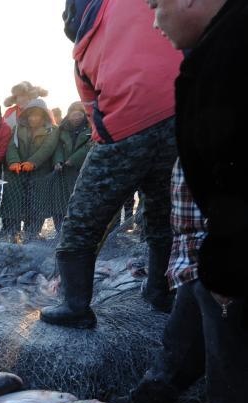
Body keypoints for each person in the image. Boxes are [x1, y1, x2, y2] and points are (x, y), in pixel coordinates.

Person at [132, 0, 247, 403]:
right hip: (210, 251)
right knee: (191, 331)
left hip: (228, 255)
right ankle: (157, 394)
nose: (154, 20)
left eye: (157, 5)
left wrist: (225, 265)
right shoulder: (216, 49)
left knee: (233, 384)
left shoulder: (231, 53)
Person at [40, 0, 182, 328]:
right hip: (181, 117)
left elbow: (94, 116)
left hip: (125, 128)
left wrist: (119, 145)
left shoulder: (81, 55)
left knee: (81, 220)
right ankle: (161, 292)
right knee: (163, 215)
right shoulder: (141, 5)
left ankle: (75, 307)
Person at [0, 99, 59, 242]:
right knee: (13, 203)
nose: (34, 118)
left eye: (37, 115)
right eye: (31, 115)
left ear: (44, 116)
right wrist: (13, 161)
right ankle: (12, 233)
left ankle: (32, 233)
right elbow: (11, 146)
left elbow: (48, 148)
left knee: (36, 205)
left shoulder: (53, 129)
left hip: (40, 174)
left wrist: (33, 162)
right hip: (17, 173)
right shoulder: (17, 128)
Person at [50, 102, 93, 236]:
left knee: (79, 203)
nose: (76, 117)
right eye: (73, 114)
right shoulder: (61, 129)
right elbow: (57, 147)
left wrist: (73, 160)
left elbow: (89, 146)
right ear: (68, 115)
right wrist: (58, 161)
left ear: (84, 115)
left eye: (79, 114)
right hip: (62, 173)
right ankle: (59, 231)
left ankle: (78, 233)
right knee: (59, 204)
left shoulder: (91, 129)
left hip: (81, 172)